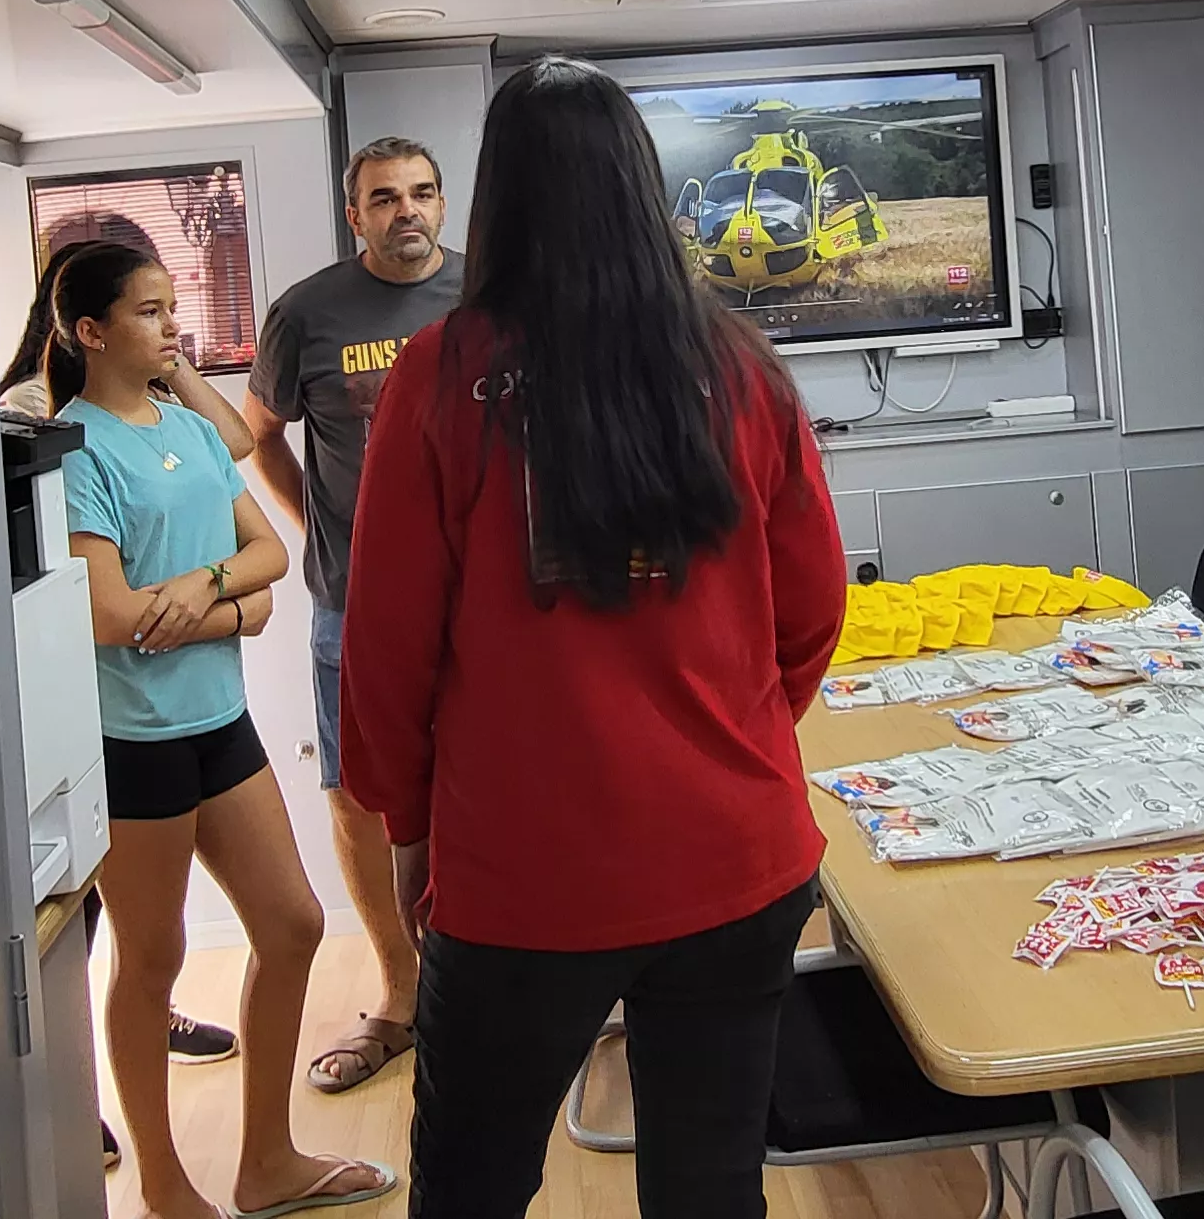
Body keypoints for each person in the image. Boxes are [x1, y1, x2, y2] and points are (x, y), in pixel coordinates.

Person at [336, 59, 847, 1219]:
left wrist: (405, 822)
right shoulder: (741, 370)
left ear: (494, 199)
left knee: (470, 1188)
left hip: (526, 873)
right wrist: (732, 738)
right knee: (712, 1189)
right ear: (640, 184)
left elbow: (387, 649)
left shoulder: (444, 375)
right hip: (738, 857)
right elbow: (812, 612)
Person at [0, 241, 394, 1219]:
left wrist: (208, 588)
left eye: (171, 308)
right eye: (146, 312)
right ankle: (168, 1187)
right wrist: (236, 609)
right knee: (152, 961)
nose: (170, 326)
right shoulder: (76, 447)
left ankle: (265, 1165)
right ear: (89, 332)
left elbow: (263, 550)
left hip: (220, 723)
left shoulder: (184, 429)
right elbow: (110, 616)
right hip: (134, 745)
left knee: (294, 925)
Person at [242, 136, 464, 1094]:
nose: (404, 211)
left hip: (477, 604)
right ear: (355, 214)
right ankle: (402, 985)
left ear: (443, 204)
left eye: (420, 194)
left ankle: (505, 965)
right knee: (358, 794)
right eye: (384, 198)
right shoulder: (307, 313)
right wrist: (324, 533)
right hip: (352, 606)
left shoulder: (488, 294)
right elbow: (263, 439)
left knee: (487, 779)